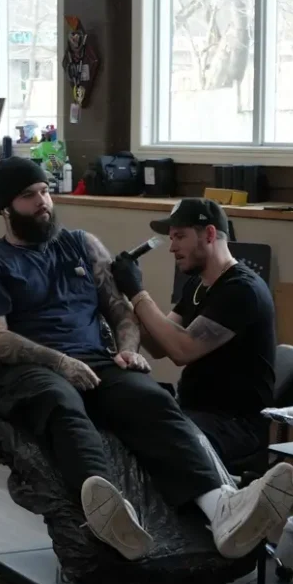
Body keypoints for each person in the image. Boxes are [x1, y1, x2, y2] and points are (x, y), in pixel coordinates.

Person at [0, 157, 293, 562]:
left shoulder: (82, 245)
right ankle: (111, 515)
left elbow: (121, 314)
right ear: (5, 208)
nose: (43, 201)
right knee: (61, 403)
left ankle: (220, 507)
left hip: (96, 363)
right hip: (26, 371)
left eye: (46, 190)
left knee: (149, 397)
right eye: (29, 196)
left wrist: (129, 349)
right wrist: (59, 362)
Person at [110, 199, 277, 469]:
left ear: (209, 234)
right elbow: (160, 345)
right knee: (125, 415)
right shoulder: (198, 286)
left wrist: (137, 292)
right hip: (195, 411)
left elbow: (182, 350)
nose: (172, 247)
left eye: (179, 236)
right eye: (171, 237)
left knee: (154, 437)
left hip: (233, 425)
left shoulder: (241, 291)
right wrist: (122, 300)